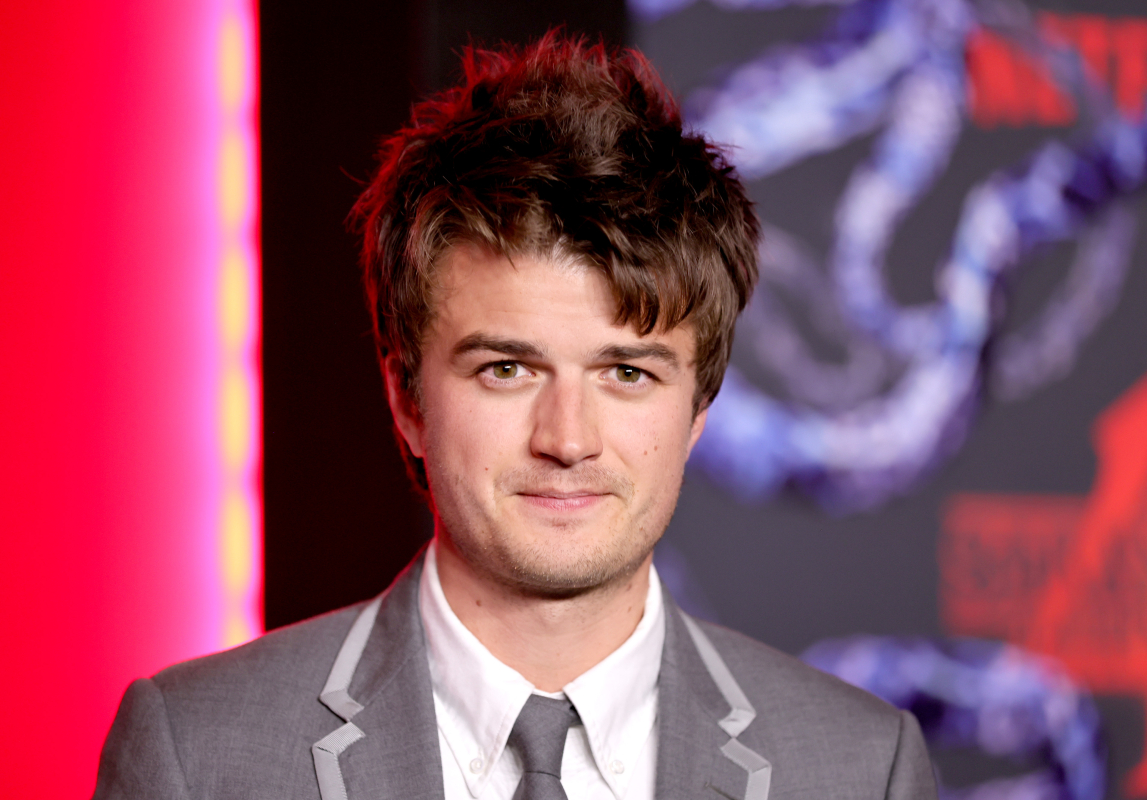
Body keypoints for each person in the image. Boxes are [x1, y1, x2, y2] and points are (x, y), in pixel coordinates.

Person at [93, 33, 937, 800]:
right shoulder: (197, 755)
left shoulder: (860, 769)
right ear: (406, 399)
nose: (567, 439)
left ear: (700, 409)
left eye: (628, 373)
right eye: (506, 368)